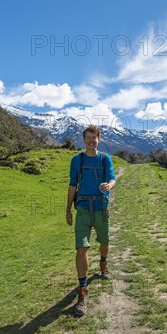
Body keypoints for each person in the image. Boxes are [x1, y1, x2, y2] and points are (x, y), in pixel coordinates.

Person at [66, 124, 116, 316]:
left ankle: (103, 262)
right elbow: (72, 185)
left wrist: (109, 186)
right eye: (88, 137)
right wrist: (68, 210)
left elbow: (112, 178)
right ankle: (83, 290)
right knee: (82, 247)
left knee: (105, 241)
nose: (91, 140)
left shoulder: (105, 159)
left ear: (98, 139)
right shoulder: (77, 160)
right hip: (84, 209)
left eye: (94, 137)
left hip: (102, 208)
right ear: (84, 139)